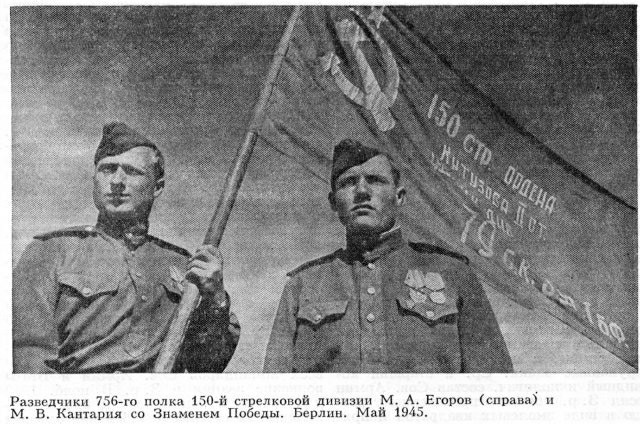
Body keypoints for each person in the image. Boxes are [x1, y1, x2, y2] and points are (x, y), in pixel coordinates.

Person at [264, 139, 512, 373]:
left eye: (375, 180)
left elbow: (494, 385)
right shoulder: (302, 285)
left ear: (399, 196)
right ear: (333, 202)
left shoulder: (453, 274)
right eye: (348, 183)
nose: (361, 191)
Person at [13, 122, 240, 373]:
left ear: (157, 187)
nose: (117, 181)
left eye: (132, 172)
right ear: (94, 179)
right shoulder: (51, 251)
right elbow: (27, 355)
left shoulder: (183, 265)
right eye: (108, 169)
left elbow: (207, 365)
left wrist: (215, 298)